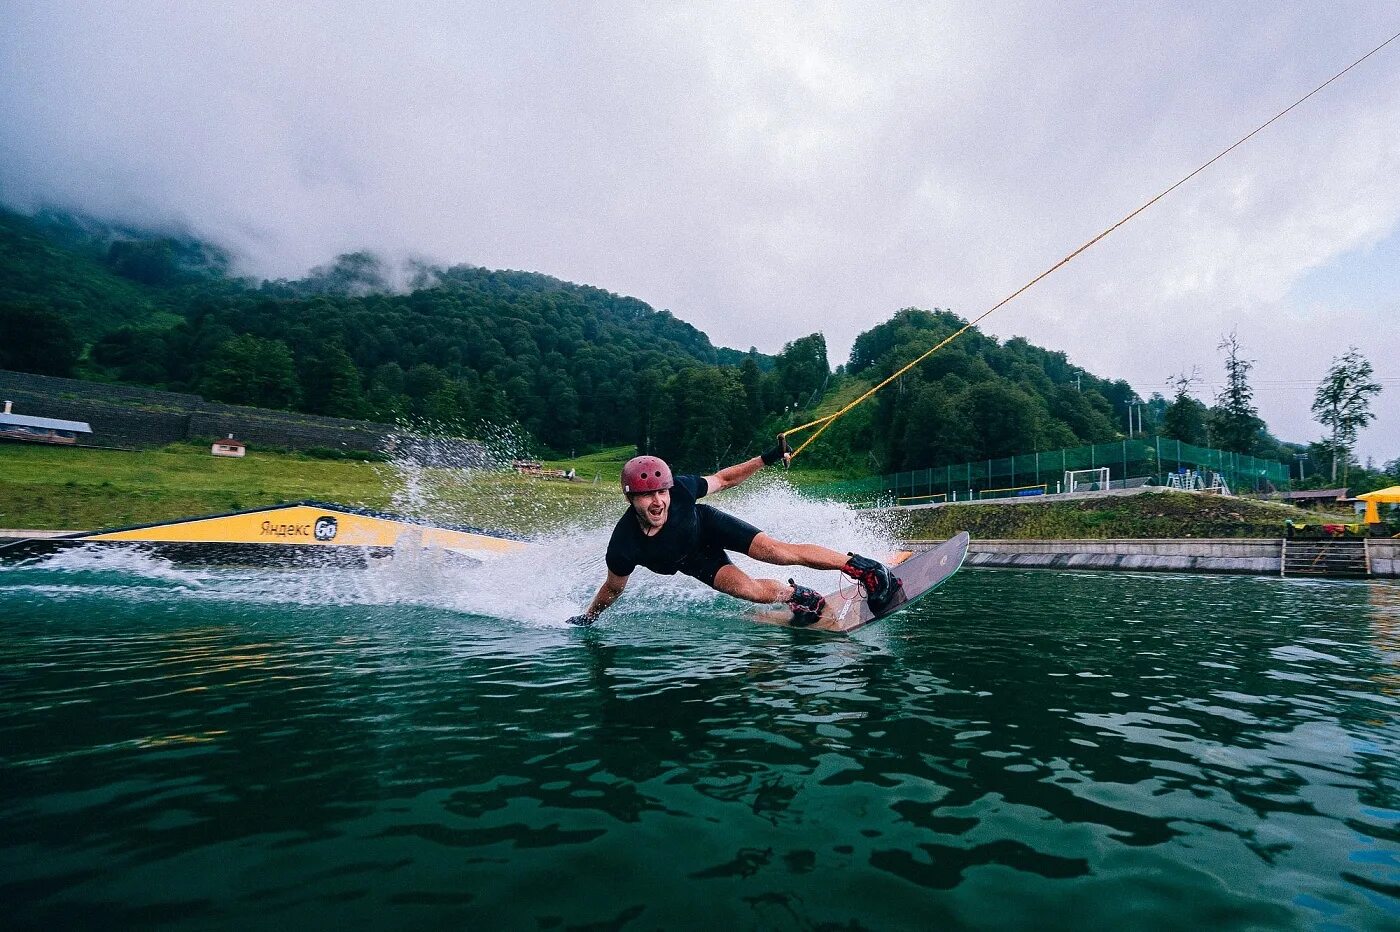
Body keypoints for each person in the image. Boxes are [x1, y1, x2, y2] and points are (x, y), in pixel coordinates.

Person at [566, 439, 899, 627]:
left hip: (709, 525)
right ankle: (802, 597)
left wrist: (766, 458)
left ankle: (866, 569)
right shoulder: (624, 545)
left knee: (777, 552)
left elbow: (724, 479)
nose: (657, 501)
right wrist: (589, 616)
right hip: (695, 560)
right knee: (749, 590)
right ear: (631, 498)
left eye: (661, 492)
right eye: (646, 495)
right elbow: (612, 588)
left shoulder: (681, 490)